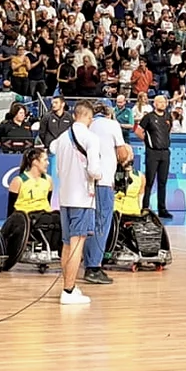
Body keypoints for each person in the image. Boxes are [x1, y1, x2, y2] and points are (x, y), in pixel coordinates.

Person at [47, 101, 110, 305]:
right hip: (82, 197)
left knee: (67, 244)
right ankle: (68, 289)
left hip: (64, 196)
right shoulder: (91, 138)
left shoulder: (63, 137)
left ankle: (69, 286)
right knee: (77, 244)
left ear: (75, 115)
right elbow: (93, 170)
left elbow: (52, 147)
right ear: (89, 118)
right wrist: (99, 173)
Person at [82, 102, 131, 285]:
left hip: (84, 182)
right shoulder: (112, 125)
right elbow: (122, 154)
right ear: (109, 112)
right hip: (102, 181)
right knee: (102, 224)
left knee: (87, 224)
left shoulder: (86, 126)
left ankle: (87, 261)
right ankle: (93, 267)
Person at [135, 94, 173, 218]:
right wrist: (147, 142)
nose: (163, 104)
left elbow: (169, 130)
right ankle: (145, 207)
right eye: (160, 102)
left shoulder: (168, 117)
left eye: (165, 102)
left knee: (163, 182)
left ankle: (162, 209)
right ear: (155, 104)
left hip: (165, 152)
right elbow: (138, 131)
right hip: (153, 152)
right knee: (149, 181)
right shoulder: (148, 117)